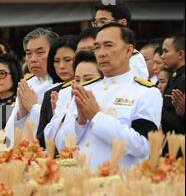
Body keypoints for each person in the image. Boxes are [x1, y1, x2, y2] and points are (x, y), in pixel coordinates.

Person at [55, 23, 162, 170]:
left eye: (108, 45)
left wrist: (96, 117)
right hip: (82, 181)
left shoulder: (146, 92)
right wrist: (79, 121)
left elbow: (144, 146)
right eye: (97, 47)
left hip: (120, 183)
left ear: (128, 50)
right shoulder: (85, 89)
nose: (101, 53)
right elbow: (61, 145)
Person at [4, 27, 60, 141]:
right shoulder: (27, 83)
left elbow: (58, 126)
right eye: (29, 54)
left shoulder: (61, 82)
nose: (33, 59)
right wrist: (21, 113)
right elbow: (9, 133)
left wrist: (33, 107)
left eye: (40, 53)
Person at [44, 50, 103, 145]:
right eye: (77, 79)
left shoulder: (109, 100)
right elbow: (51, 138)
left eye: (88, 79)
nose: (81, 85)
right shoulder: (67, 98)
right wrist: (77, 120)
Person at [36, 35, 78, 147]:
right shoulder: (50, 94)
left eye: (68, 60)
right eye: (56, 61)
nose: (62, 66)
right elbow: (41, 139)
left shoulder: (89, 88)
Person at [92, 0, 149, 80]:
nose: (98, 27)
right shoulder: (97, 53)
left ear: (122, 23)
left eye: (103, 22)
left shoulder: (134, 59)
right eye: (96, 23)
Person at [160, 33, 185, 136]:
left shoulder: (182, 80)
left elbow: (178, 122)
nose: (162, 56)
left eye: (166, 51)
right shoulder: (174, 77)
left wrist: (156, 107)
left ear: (180, 54)